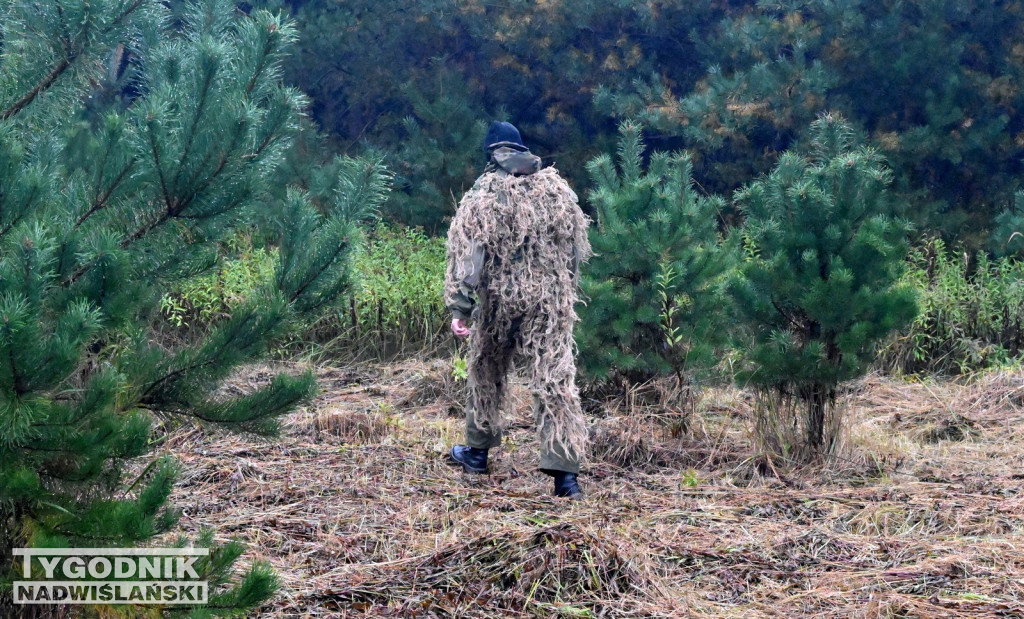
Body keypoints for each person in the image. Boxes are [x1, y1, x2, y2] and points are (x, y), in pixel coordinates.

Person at [444, 121, 591, 498]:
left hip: (500, 301)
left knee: (486, 370)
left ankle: (476, 453)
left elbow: (469, 258)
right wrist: (563, 293)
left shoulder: (484, 193)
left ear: (491, 153)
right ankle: (565, 477)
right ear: (522, 150)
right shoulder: (557, 190)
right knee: (554, 380)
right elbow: (576, 251)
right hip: (549, 302)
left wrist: (461, 308)